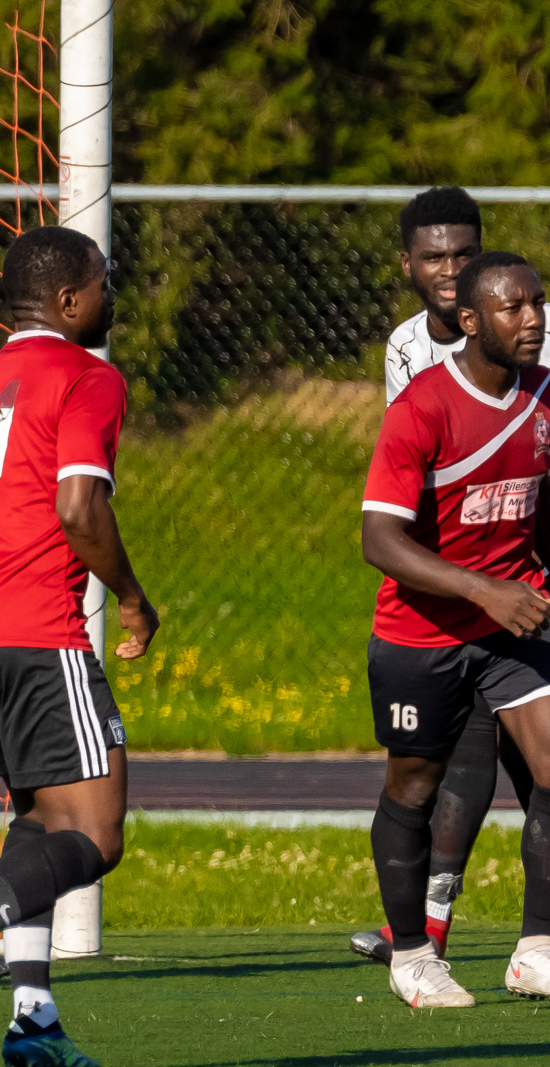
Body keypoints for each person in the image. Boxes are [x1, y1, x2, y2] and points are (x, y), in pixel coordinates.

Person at [351, 188, 550, 981]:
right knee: (507, 739)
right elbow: (405, 487)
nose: (451, 271)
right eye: (435, 257)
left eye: (464, 252)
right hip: (471, 564)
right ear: (407, 265)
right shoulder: (409, 349)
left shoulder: (540, 336)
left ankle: (446, 926)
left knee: (517, 735)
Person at [0, 226, 160, 1066]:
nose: (111, 294)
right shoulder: (88, 376)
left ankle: (32, 1020)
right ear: (67, 301)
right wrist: (132, 597)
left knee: (36, 822)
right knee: (96, 835)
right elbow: (78, 508)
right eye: (104, 282)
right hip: (35, 634)